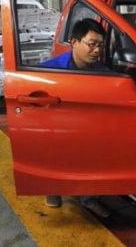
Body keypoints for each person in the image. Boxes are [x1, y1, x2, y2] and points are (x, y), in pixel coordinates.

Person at [40, 18, 111, 218]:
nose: (97, 50)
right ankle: (52, 188)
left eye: (100, 46)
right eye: (92, 44)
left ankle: (88, 197)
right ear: (74, 42)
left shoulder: (103, 72)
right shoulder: (51, 70)